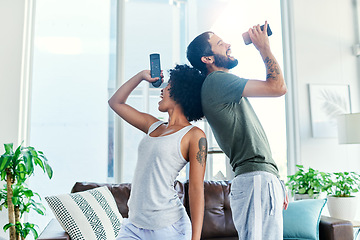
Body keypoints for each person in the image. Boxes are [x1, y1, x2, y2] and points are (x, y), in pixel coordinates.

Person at [186, 21, 289, 239]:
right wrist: (264, 48)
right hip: (255, 179)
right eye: (221, 44)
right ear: (208, 59)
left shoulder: (219, 84)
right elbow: (277, 87)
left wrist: (275, 180)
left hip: (259, 178)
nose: (229, 44)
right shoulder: (217, 80)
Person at [108, 64, 207, 240]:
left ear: (181, 92)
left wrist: (196, 238)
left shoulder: (194, 135)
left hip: (168, 227)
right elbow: (115, 102)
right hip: (134, 225)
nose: (162, 91)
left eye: (168, 86)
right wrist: (140, 76)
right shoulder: (153, 125)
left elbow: (196, 189)